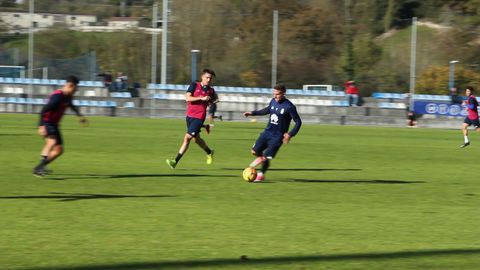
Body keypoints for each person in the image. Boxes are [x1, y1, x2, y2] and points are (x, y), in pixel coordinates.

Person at [243, 84, 302, 182]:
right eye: (274, 94)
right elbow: (266, 110)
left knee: (265, 157)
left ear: (283, 93)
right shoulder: (273, 101)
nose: (275, 96)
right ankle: (260, 162)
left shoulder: (289, 106)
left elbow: (298, 122)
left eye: (277, 94)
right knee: (254, 152)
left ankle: (259, 173)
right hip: (267, 132)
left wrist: (290, 134)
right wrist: (252, 113)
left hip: (278, 137)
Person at [33, 75, 88, 176]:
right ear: (70, 85)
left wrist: (80, 116)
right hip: (47, 122)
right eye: (75, 89)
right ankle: (40, 168)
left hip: (54, 125)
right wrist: (41, 125)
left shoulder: (67, 97)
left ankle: (39, 167)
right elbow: (44, 110)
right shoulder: (58, 97)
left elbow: (72, 106)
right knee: (52, 142)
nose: (75, 92)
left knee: (58, 150)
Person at [166, 68, 217, 168]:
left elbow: (215, 101)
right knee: (196, 139)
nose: (209, 80)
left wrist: (212, 102)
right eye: (207, 77)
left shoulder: (211, 91)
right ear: (202, 77)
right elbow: (188, 98)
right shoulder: (194, 85)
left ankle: (174, 161)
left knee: (187, 138)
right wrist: (201, 98)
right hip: (189, 116)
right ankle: (209, 152)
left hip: (199, 117)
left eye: (210, 78)